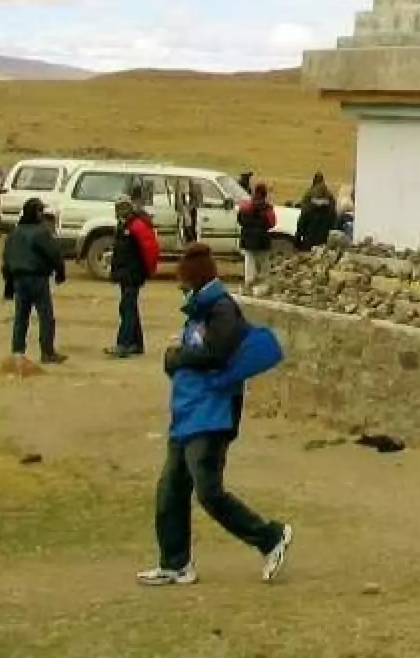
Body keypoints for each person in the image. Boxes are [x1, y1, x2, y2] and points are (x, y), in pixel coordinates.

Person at [138, 243, 293, 587]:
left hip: (212, 416)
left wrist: (176, 358)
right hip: (189, 413)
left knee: (209, 492)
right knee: (170, 490)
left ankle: (270, 537)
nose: (179, 286)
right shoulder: (199, 311)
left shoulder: (221, 309)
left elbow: (216, 353)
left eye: (182, 280)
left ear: (194, 279)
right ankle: (174, 563)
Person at [1, 198, 68, 366]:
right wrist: (60, 272)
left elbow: (7, 260)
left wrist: (8, 285)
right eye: (40, 211)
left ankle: (17, 352)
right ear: (35, 213)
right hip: (37, 279)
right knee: (46, 317)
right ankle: (47, 353)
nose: (41, 215)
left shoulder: (14, 233)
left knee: (21, 318)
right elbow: (54, 254)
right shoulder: (40, 232)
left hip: (18, 280)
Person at [106, 197, 162, 358]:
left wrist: (148, 271)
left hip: (133, 274)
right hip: (127, 273)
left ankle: (123, 344)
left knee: (127, 308)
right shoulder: (126, 224)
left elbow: (150, 250)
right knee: (130, 308)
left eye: (122, 207)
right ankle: (136, 344)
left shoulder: (136, 226)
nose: (119, 210)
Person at [235, 181, 276, 288]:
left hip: (247, 237)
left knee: (249, 261)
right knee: (264, 263)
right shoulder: (267, 208)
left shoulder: (245, 206)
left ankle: (249, 283)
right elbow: (272, 223)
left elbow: (239, 220)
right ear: (265, 194)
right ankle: (263, 284)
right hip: (262, 239)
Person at [293, 173, 337, 252]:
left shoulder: (309, 196)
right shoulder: (330, 199)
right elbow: (334, 223)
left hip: (309, 241)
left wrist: (297, 239)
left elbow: (302, 221)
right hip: (325, 243)